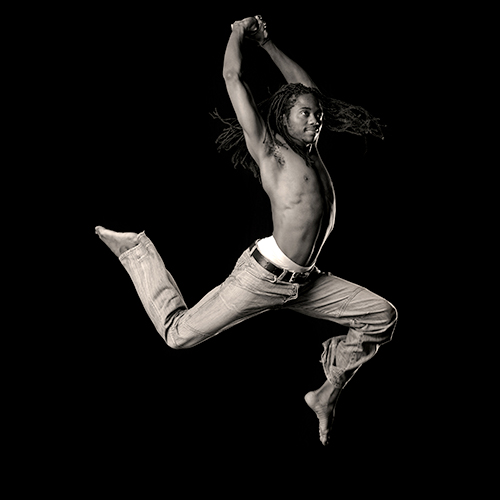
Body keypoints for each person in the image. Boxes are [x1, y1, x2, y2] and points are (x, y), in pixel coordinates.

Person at [96, 15, 397, 446]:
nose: (316, 121)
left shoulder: (312, 151)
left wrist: (269, 44)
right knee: (178, 336)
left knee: (381, 316)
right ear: (284, 118)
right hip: (263, 278)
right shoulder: (271, 152)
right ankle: (136, 251)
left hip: (307, 282)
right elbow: (231, 75)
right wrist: (238, 34)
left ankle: (326, 392)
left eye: (318, 115)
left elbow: (306, 89)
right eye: (306, 115)